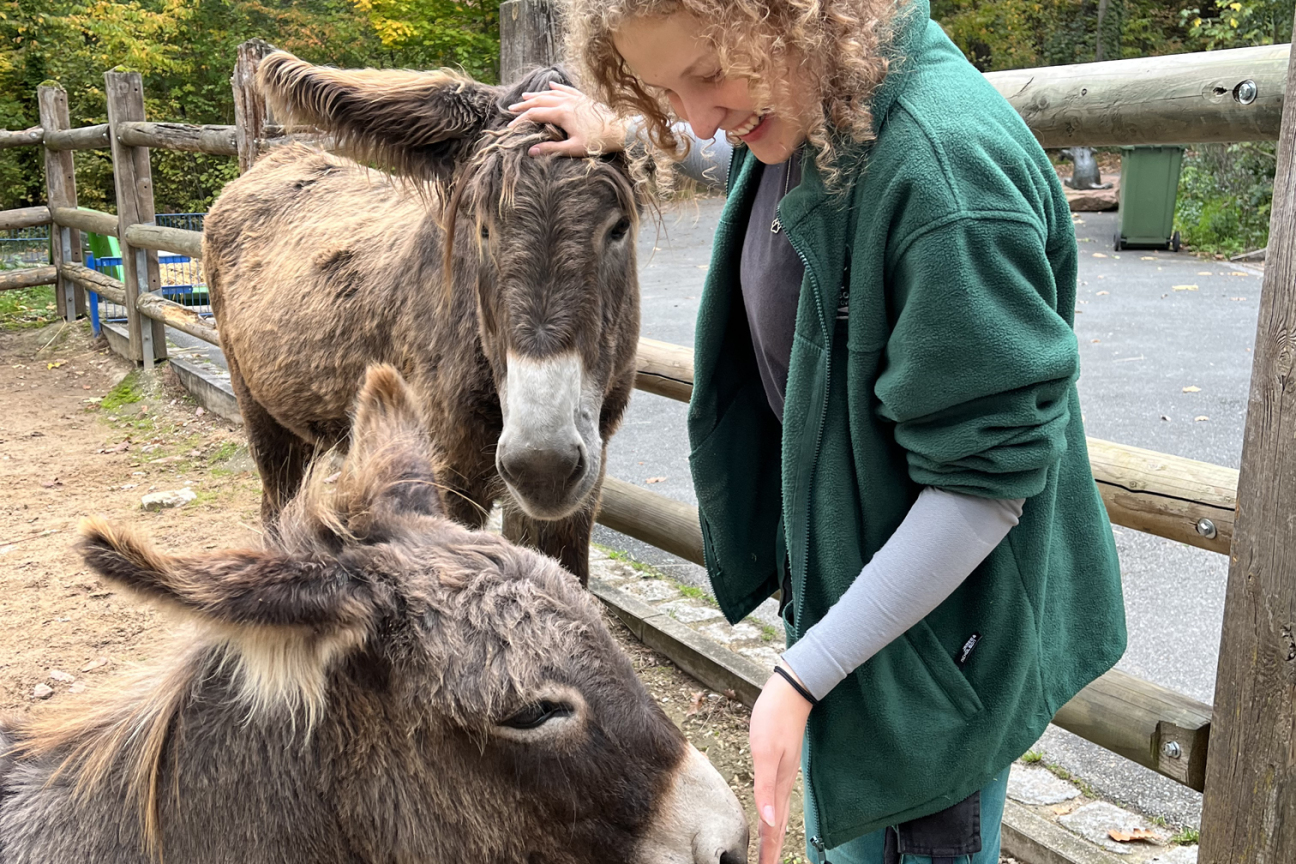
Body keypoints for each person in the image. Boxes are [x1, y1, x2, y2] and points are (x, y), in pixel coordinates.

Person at [508, 2, 1126, 863]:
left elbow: (980, 492)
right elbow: (721, 141)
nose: (697, 118)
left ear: (786, 17)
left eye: (708, 74)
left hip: (935, 650)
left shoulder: (948, 181)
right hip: (863, 602)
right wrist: (620, 128)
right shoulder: (810, 101)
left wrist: (803, 675)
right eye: (666, 90)